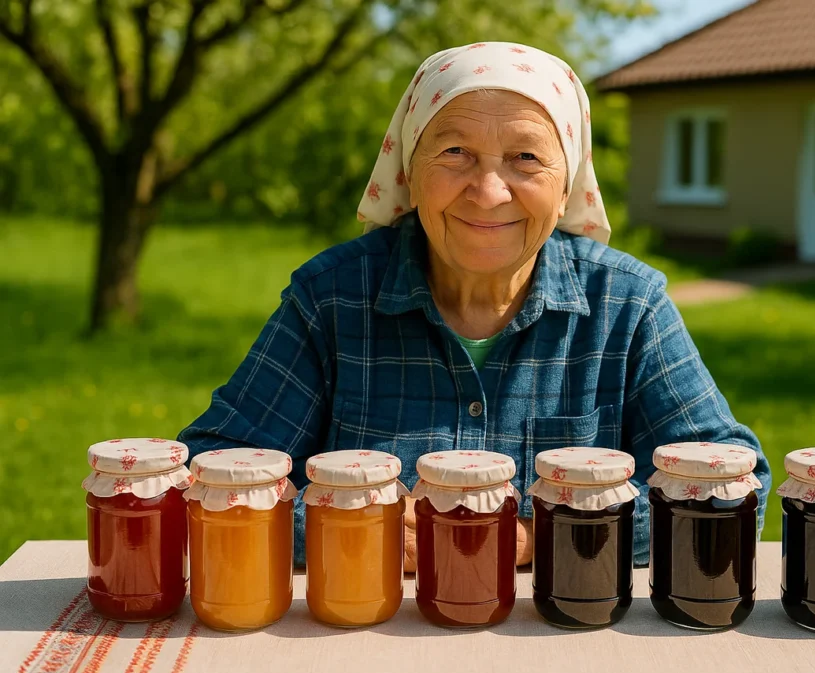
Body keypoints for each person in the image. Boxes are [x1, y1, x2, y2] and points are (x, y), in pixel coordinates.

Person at [178, 41, 770, 570]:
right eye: (455, 151)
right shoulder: (332, 299)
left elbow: (732, 485)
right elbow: (205, 476)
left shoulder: (628, 306)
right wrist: (354, 527)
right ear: (410, 168)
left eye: (526, 159)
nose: (488, 193)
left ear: (567, 186)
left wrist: (545, 535)